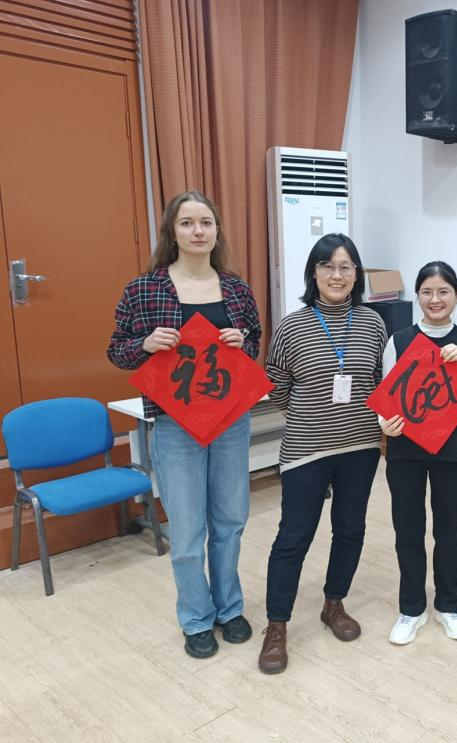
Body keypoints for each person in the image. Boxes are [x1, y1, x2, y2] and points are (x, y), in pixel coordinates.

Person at [108, 190, 262, 659]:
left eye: (206, 223)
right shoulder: (144, 289)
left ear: (217, 231)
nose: (198, 231)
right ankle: (196, 617)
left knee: (230, 520)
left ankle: (229, 608)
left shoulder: (236, 288)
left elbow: (253, 343)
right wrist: (145, 344)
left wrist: (241, 342)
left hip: (230, 419)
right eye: (188, 223)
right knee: (189, 527)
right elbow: (117, 350)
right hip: (175, 424)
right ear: (172, 232)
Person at [258, 234, 387, 674]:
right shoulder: (291, 326)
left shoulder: (373, 323)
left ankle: (334, 603)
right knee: (293, 537)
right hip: (306, 449)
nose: (337, 275)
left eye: (346, 266)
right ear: (313, 272)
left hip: (361, 446)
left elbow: (379, 381)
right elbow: (277, 386)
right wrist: (310, 415)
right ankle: (277, 625)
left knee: (350, 529)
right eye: (328, 266)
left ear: (356, 274)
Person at [379, 261, 457, 645]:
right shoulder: (400, 339)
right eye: (427, 292)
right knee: (408, 529)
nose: (435, 299)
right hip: (405, 450)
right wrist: (384, 424)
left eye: (443, 291)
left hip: (451, 451)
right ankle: (411, 609)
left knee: (449, 530)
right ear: (418, 296)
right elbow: (386, 395)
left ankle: (449, 606)